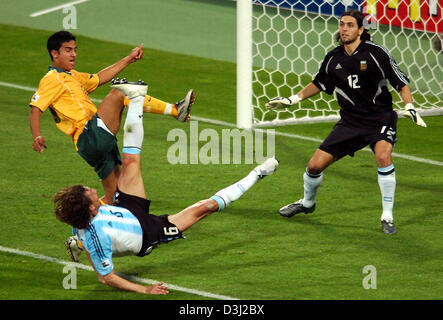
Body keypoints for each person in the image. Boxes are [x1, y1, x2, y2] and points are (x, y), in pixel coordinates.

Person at [54, 80, 279, 294]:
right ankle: (258, 174)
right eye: (89, 193)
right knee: (206, 208)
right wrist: (144, 289)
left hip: (129, 209)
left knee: (131, 160)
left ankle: (136, 98)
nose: (93, 190)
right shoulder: (95, 236)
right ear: (91, 208)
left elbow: (87, 227)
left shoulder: (82, 221)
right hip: (148, 232)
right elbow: (106, 277)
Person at [266, 10, 427, 235]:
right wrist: (292, 99)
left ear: (361, 30)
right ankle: (307, 203)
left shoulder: (376, 53)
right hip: (350, 122)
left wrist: (409, 105)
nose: (344, 29)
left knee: (383, 156)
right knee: (314, 166)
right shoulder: (333, 58)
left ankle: (387, 216)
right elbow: (320, 83)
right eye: (342, 25)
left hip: (379, 118)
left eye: (350, 25)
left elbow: (400, 81)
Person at [30, 30, 195, 206]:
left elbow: (100, 78)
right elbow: (35, 107)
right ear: (54, 53)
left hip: (89, 145)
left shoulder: (72, 76)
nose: (74, 54)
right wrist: (37, 135)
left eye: (75, 49)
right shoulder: (51, 79)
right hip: (90, 135)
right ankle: (176, 110)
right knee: (120, 92)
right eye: (68, 50)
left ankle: (80, 225)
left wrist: (129, 59)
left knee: (114, 199)